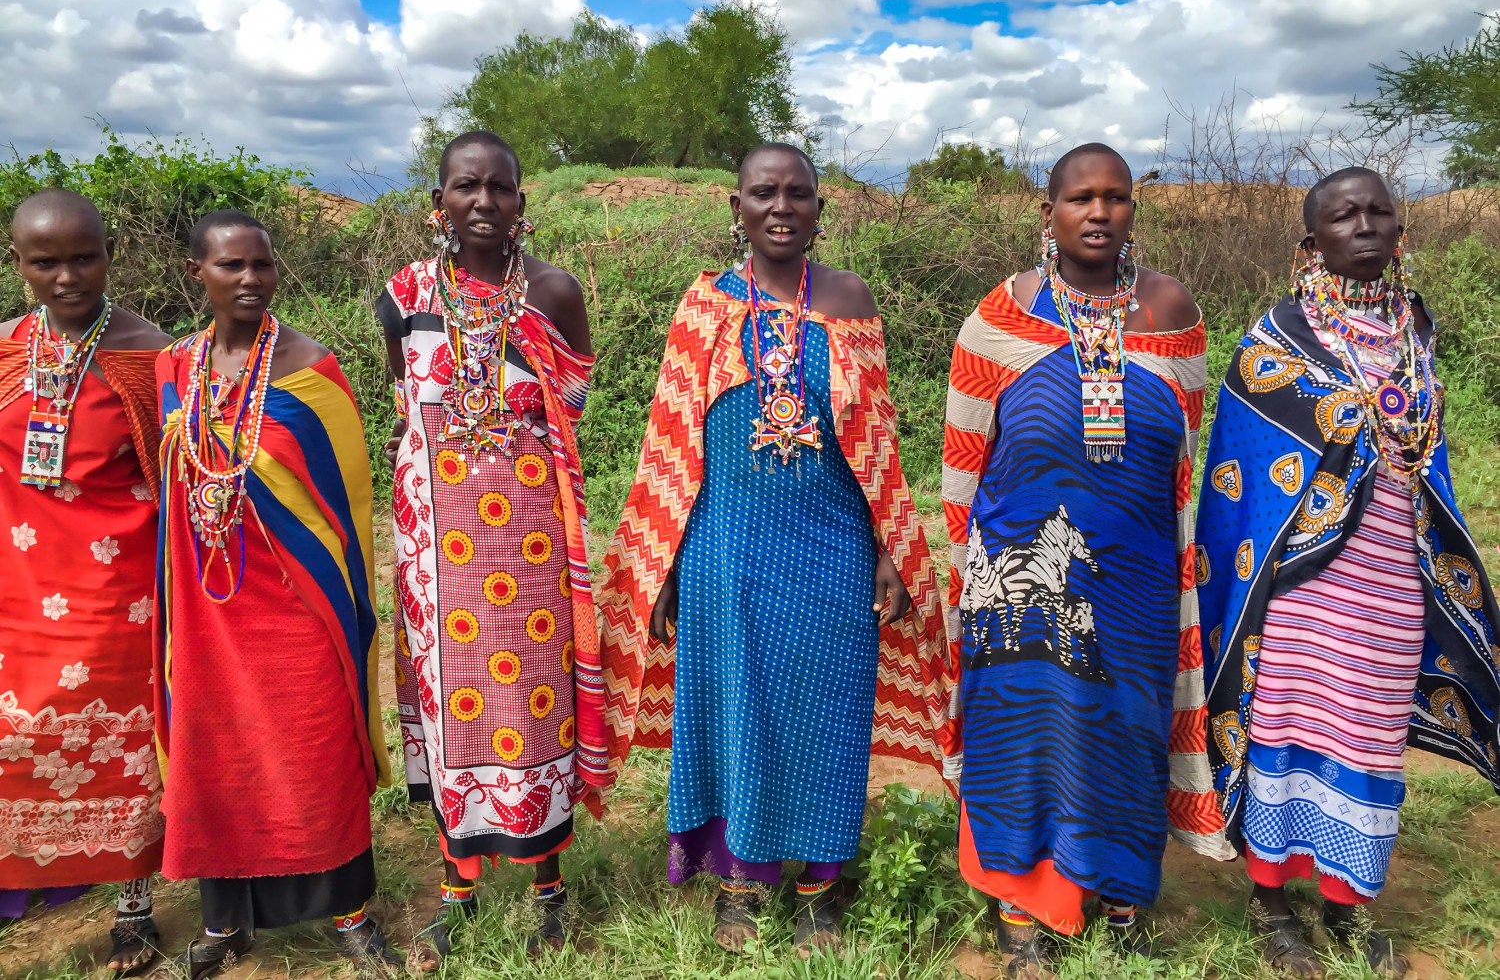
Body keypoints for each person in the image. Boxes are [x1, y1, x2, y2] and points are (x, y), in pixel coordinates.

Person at [596, 142, 954, 956]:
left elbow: (881, 438)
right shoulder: (704, 305)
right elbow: (669, 444)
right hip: (725, 547)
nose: (782, 207)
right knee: (736, 710)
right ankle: (741, 883)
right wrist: (666, 566)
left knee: (829, 708)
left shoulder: (849, 299)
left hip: (831, 547)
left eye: (799, 194)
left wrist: (890, 550)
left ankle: (821, 890)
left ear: (820, 210)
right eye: (765, 193)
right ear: (737, 207)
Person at [1197, 167, 1500, 979]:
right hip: (1297, 585)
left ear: (1401, 231)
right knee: (1288, 730)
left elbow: (1427, 461)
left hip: (1394, 581)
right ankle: (1270, 901)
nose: (1364, 226)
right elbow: (1239, 478)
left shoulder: (1416, 335)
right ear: (1312, 241)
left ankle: (1347, 900)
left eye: (1379, 212)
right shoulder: (1275, 342)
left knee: (1368, 735)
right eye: (1344, 215)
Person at [941, 143, 1233, 977]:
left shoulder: (1173, 314)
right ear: (1049, 214)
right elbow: (962, 466)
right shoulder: (994, 321)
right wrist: (975, 581)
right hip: (1018, 572)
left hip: (1138, 581)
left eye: (1117, 198)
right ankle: (1020, 906)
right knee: (1024, 730)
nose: (1099, 213)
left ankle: (1121, 895)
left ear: (1133, 211)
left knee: (1126, 733)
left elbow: (1181, 453)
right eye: (1081, 199)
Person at [152, 211, 397, 980]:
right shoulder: (172, 369)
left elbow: (347, 511)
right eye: (232, 266)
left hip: (298, 605)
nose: (251, 279)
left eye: (262, 264)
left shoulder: (312, 372)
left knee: (315, 747)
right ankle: (225, 920)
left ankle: (350, 915)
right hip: (205, 607)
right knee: (215, 752)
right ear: (199, 274)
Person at [378, 131, 600, 967]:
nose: (483, 201)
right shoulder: (401, 295)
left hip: (531, 542)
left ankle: (550, 889)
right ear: (438, 203)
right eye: (464, 187)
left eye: (499, 187)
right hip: (438, 545)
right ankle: (457, 890)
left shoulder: (553, 291)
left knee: (534, 700)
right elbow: (407, 400)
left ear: (521, 200)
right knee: (450, 702)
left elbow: (569, 403)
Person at [0, 190, 169, 973]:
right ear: (18, 264)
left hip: (120, 591)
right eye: (45, 261)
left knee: (126, 743)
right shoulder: (3, 348)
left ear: (110, 253)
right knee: (16, 736)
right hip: (18, 585)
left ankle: (133, 909)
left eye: (84, 256)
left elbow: (175, 475)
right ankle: (22, 889)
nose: (67, 275)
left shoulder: (149, 353)